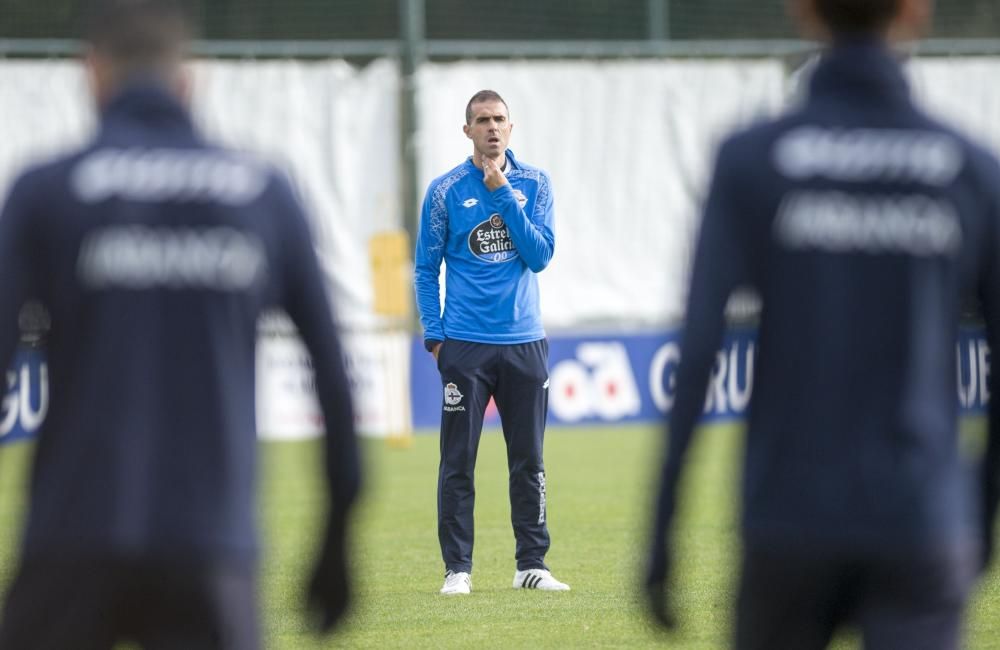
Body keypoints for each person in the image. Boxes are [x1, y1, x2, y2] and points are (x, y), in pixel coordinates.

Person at [0, 1, 361, 648]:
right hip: (211, 543)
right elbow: (333, 377)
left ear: (93, 73)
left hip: (72, 535)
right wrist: (337, 533)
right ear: (189, 78)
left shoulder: (45, 191)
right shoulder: (262, 190)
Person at [646, 0, 1000, 648]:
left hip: (788, 517)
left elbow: (697, 350)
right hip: (919, 521)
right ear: (917, 12)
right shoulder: (971, 168)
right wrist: (980, 517)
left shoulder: (752, 159)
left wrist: (662, 528)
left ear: (802, 11)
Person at [414, 90, 569, 595]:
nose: (492, 128)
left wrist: (503, 192)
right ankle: (457, 569)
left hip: (525, 343)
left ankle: (532, 565)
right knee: (458, 461)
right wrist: (436, 337)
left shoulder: (534, 184)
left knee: (529, 460)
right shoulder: (444, 192)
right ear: (467, 131)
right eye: (482, 120)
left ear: (511, 126)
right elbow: (424, 267)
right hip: (466, 347)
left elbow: (539, 254)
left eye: (499, 119)